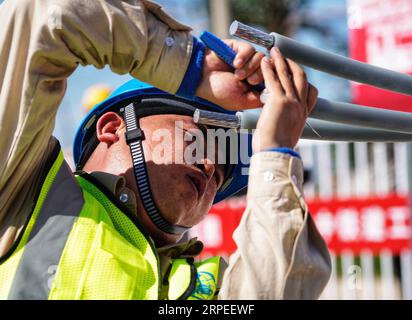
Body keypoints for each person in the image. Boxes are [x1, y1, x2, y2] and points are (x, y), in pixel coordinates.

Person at [0, 0, 331, 299]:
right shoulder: (23, 193)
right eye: (197, 137)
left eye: (222, 167)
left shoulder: (201, 290)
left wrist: (274, 152)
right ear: (113, 128)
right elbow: (43, 16)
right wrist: (191, 67)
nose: (209, 165)